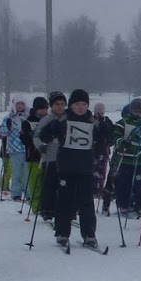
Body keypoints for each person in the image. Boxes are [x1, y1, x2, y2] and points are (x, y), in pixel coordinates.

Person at [37, 89, 108, 250]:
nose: (81, 107)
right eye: (77, 104)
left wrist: (105, 131)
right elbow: (44, 136)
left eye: (84, 104)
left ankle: (89, 234)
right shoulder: (64, 119)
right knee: (65, 201)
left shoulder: (91, 120)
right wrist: (52, 128)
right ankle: (62, 233)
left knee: (86, 202)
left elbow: (103, 142)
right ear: (71, 105)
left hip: (86, 168)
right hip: (66, 167)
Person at [106, 99, 141, 217]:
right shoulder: (124, 122)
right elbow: (116, 136)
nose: (138, 114)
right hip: (125, 159)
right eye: (136, 111)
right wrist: (121, 142)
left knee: (140, 184)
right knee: (124, 184)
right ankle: (124, 205)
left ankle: (140, 205)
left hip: (139, 159)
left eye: (140, 111)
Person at [36, 91, 68, 219]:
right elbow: (37, 136)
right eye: (57, 104)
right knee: (49, 184)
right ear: (51, 106)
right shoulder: (47, 119)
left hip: (65, 157)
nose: (60, 107)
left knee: (63, 184)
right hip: (50, 157)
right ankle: (47, 210)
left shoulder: (68, 119)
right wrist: (40, 146)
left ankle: (62, 209)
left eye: (62, 104)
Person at [0, 101, 29, 201]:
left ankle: (28, 193)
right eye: (18, 104)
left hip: (27, 149)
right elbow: (2, 133)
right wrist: (7, 127)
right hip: (14, 149)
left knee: (26, 174)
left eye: (22, 104)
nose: (20, 106)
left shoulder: (27, 116)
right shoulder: (9, 117)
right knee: (16, 173)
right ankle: (16, 193)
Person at [90, 101, 115, 211]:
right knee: (94, 170)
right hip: (94, 150)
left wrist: (110, 140)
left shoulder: (107, 121)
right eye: (98, 112)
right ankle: (94, 189)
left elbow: (111, 133)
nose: (100, 114)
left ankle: (100, 189)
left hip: (104, 150)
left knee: (102, 170)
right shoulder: (91, 121)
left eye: (102, 112)